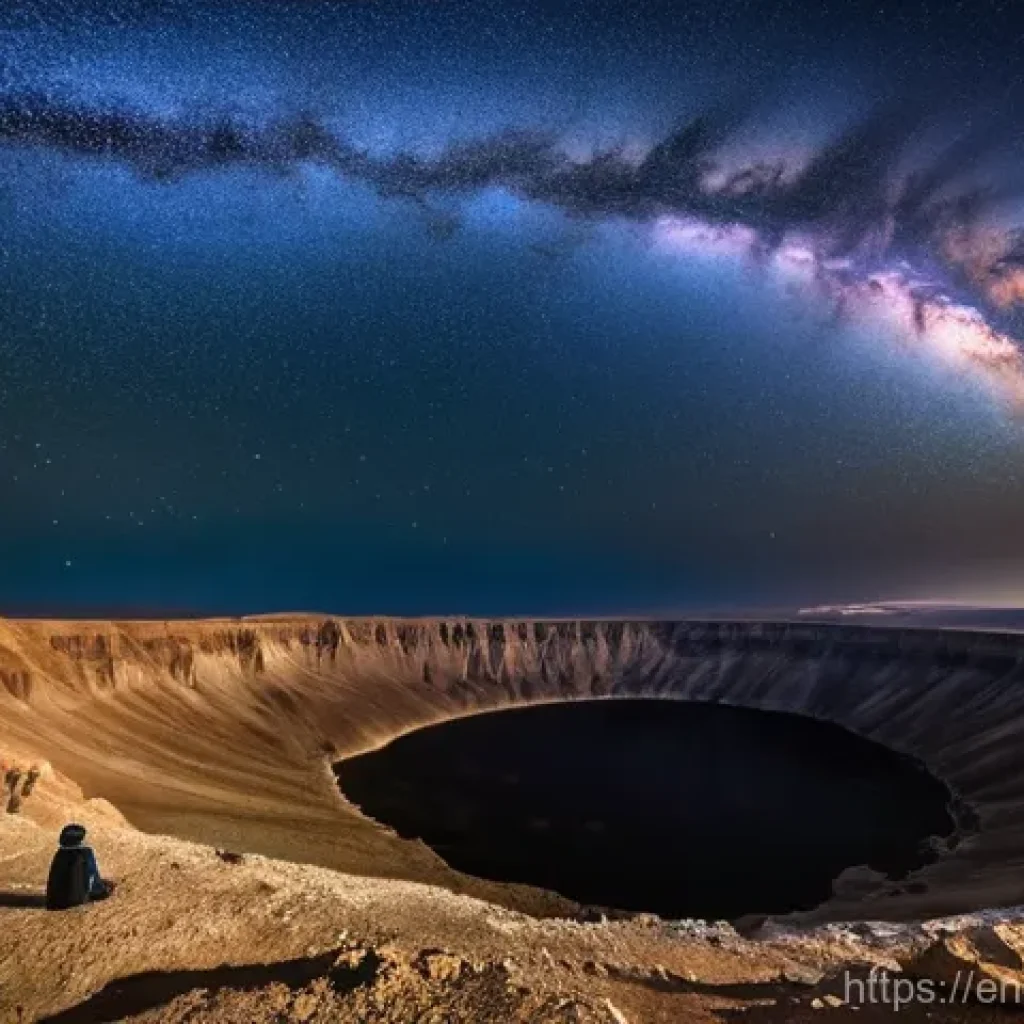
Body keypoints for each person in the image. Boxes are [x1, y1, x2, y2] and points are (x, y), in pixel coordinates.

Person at [45, 823, 115, 910]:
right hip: (75, 901)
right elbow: (93, 881)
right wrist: (102, 891)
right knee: (107, 884)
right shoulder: (85, 853)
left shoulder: (60, 853)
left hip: (54, 902)